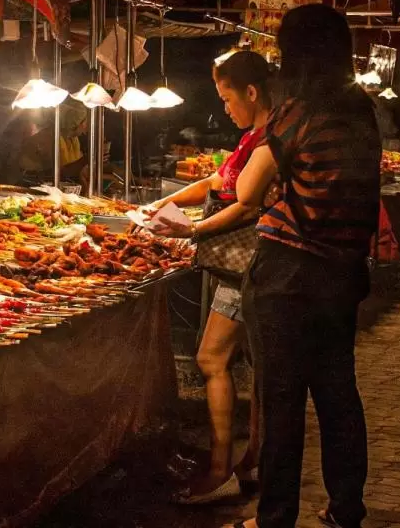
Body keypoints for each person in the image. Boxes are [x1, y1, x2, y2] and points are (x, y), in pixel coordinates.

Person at [230, 4, 380, 528]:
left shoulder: (296, 110)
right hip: (343, 273)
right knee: (339, 395)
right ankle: (346, 508)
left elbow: (247, 187)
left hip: (289, 274)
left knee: (281, 403)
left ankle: (275, 519)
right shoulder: (360, 108)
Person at [143, 50, 271, 504]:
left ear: (251, 92)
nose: (224, 107)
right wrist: (163, 204)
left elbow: (248, 204)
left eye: (227, 97)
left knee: (211, 359)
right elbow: (217, 182)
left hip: (250, 267)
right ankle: (252, 462)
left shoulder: (269, 141)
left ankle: (221, 470)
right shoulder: (250, 138)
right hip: (239, 267)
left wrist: (191, 229)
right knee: (257, 373)